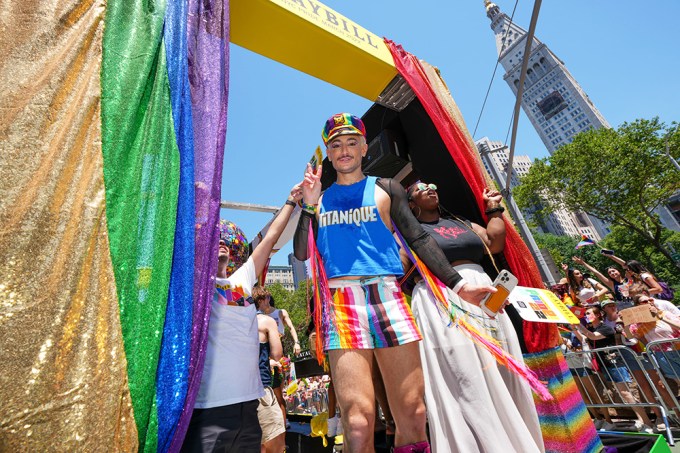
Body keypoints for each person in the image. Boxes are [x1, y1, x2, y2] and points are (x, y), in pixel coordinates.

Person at [293, 113, 493, 453]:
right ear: (328, 153)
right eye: (336, 144)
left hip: (388, 295)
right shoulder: (319, 199)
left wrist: (459, 286)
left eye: (351, 142)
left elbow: (420, 239)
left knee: (413, 414)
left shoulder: (386, 187)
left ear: (363, 147)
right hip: (342, 304)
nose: (344, 150)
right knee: (357, 423)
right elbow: (300, 253)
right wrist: (308, 207)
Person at [405, 181, 544, 452]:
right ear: (410, 204)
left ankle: (517, 441)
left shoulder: (461, 223)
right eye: (421, 189)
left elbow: (494, 243)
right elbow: (399, 268)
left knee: (500, 366)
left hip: (484, 295)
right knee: (465, 374)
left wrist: (494, 210)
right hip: (442, 301)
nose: (431, 189)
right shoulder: (409, 233)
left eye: (433, 185)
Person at [182, 183, 302, 453]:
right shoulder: (192, 284)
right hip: (207, 411)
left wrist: (291, 200)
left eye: (223, 238)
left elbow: (271, 238)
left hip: (251, 409)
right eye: (214, 237)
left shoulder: (243, 279)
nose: (221, 240)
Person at [572, 306, 654, 433]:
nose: (586, 316)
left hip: (614, 362)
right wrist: (574, 328)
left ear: (599, 315)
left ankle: (647, 423)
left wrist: (578, 324)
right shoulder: (592, 328)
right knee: (624, 393)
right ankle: (642, 421)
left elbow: (592, 336)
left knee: (626, 393)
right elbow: (585, 339)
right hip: (605, 364)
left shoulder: (605, 328)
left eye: (589, 313)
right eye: (586, 314)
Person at [257, 293, 301, 429]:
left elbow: (291, 327)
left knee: (277, 390)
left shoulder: (280, 312)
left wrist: (297, 342)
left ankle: (283, 422)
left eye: (268, 298)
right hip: (263, 352)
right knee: (266, 390)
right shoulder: (257, 317)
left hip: (277, 353)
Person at [253, 286, 287, 453]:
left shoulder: (231, 320)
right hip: (260, 388)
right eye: (267, 298)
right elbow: (277, 354)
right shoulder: (266, 321)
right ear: (260, 300)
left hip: (234, 393)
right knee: (275, 444)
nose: (269, 301)